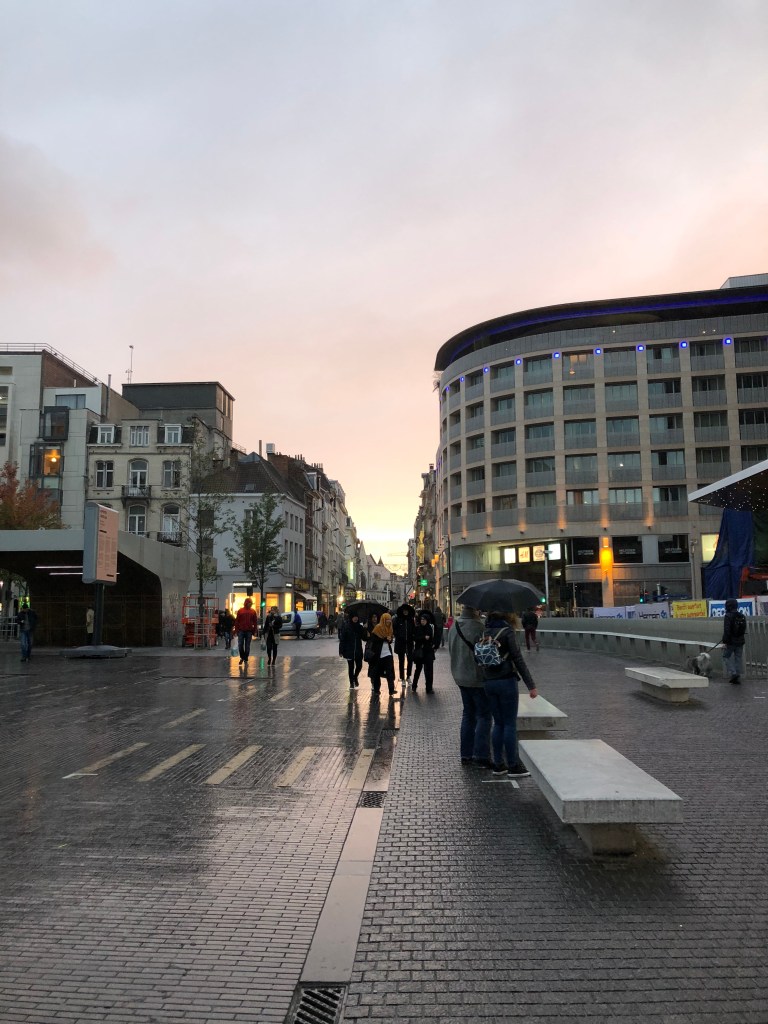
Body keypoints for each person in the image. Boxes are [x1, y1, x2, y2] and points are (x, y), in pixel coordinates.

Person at [481, 610, 538, 778]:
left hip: (489, 682)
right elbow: (518, 659)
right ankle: (513, 765)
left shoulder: (484, 633)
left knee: (498, 723)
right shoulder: (507, 632)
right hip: (506, 681)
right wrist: (531, 685)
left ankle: (498, 764)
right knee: (509, 724)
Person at [448, 605, 492, 768]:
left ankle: (465, 754)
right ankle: (481, 755)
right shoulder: (479, 627)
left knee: (468, 714)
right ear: (475, 610)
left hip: (460, 677)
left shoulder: (454, 626)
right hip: (477, 678)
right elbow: (485, 654)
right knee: (484, 715)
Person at [367, 612, 396, 696]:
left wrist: (389, 639)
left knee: (389, 672)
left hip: (387, 653)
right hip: (378, 654)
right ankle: (376, 690)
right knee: (377, 673)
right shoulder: (378, 628)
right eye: (387, 620)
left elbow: (390, 640)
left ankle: (391, 689)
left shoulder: (390, 628)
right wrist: (384, 639)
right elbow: (374, 640)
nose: (388, 622)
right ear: (383, 620)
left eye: (389, 620)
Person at [721, 598, 747, 685]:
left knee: (726, 657)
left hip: (731, 642)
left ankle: (733, 673)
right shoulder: (741, 615)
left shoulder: (728, 616)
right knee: (738, 658)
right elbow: (743, 629)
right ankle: (737, 677)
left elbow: (727, 630)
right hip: (740, 641)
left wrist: (725, 641)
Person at [338, 610, 367, 687]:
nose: (355, 618)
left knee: (359, 666)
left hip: (358, 650)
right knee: (351, 667)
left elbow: (364, 638)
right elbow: (342, 639)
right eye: (354, 617)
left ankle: (355, 677)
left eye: (356, 617)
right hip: (349, 650)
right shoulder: (346, 627)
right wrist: (341, 650)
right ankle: (351, 682)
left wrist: (365, 629)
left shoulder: (360, 627)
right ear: (351, 618)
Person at [411, 612, 436, 693]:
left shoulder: (430, 628)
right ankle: (414, 686)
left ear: (427, 620)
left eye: (424, 620)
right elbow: (415, 638)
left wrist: (433, 644)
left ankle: (429, 688)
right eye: (421, 619)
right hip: (420, 652)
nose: (422, 621)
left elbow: (432, 638)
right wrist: (424, 638)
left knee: (429, 671)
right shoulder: (417, 628)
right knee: (418, 669)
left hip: (428, 651)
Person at [393, 605, 415, 683]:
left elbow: (413, 630)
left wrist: (412, 636)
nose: (405, 612)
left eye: (406, 610)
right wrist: (398, 635)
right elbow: (394, 629)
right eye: (404, 610)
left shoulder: (411, 620)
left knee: (410, 660)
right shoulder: (398, 620)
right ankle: (402, 678)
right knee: (401, 661)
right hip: (400, 643)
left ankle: (408, 676)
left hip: (409, 643)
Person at [234, 598, 258, 665]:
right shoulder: (241, 611)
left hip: (247, 631)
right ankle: (244, 657)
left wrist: (255, 630)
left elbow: (255, 622)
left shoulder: (251, 611)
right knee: (241, 645)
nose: (250, 604)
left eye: (251, 603)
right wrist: (236, 630)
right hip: (242, 630)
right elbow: (237, 621)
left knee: (246, 646)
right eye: (249, 603)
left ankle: (244, 657)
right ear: (246, 603)